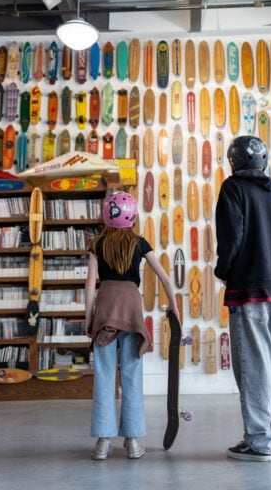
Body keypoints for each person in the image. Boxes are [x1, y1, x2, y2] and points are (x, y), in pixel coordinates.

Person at [214, 135, 271, 462]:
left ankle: (258, 441)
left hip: (249, 291)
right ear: (263, 161)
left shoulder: (232, 189)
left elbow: (232, 238)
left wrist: (223, 270)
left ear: (233, 162)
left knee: (255, 367)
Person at [85, 191, 178, 461]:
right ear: (133, 217)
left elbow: (90, 283)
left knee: (103, 374)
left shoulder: (97, 243)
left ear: (106, 217)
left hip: (105, 307)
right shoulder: (139, 243)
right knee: (131, 373)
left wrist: (89, 316)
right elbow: (163, 277)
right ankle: (133, 440)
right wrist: (173, 305)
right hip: (131, 307)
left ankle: (103, 442)